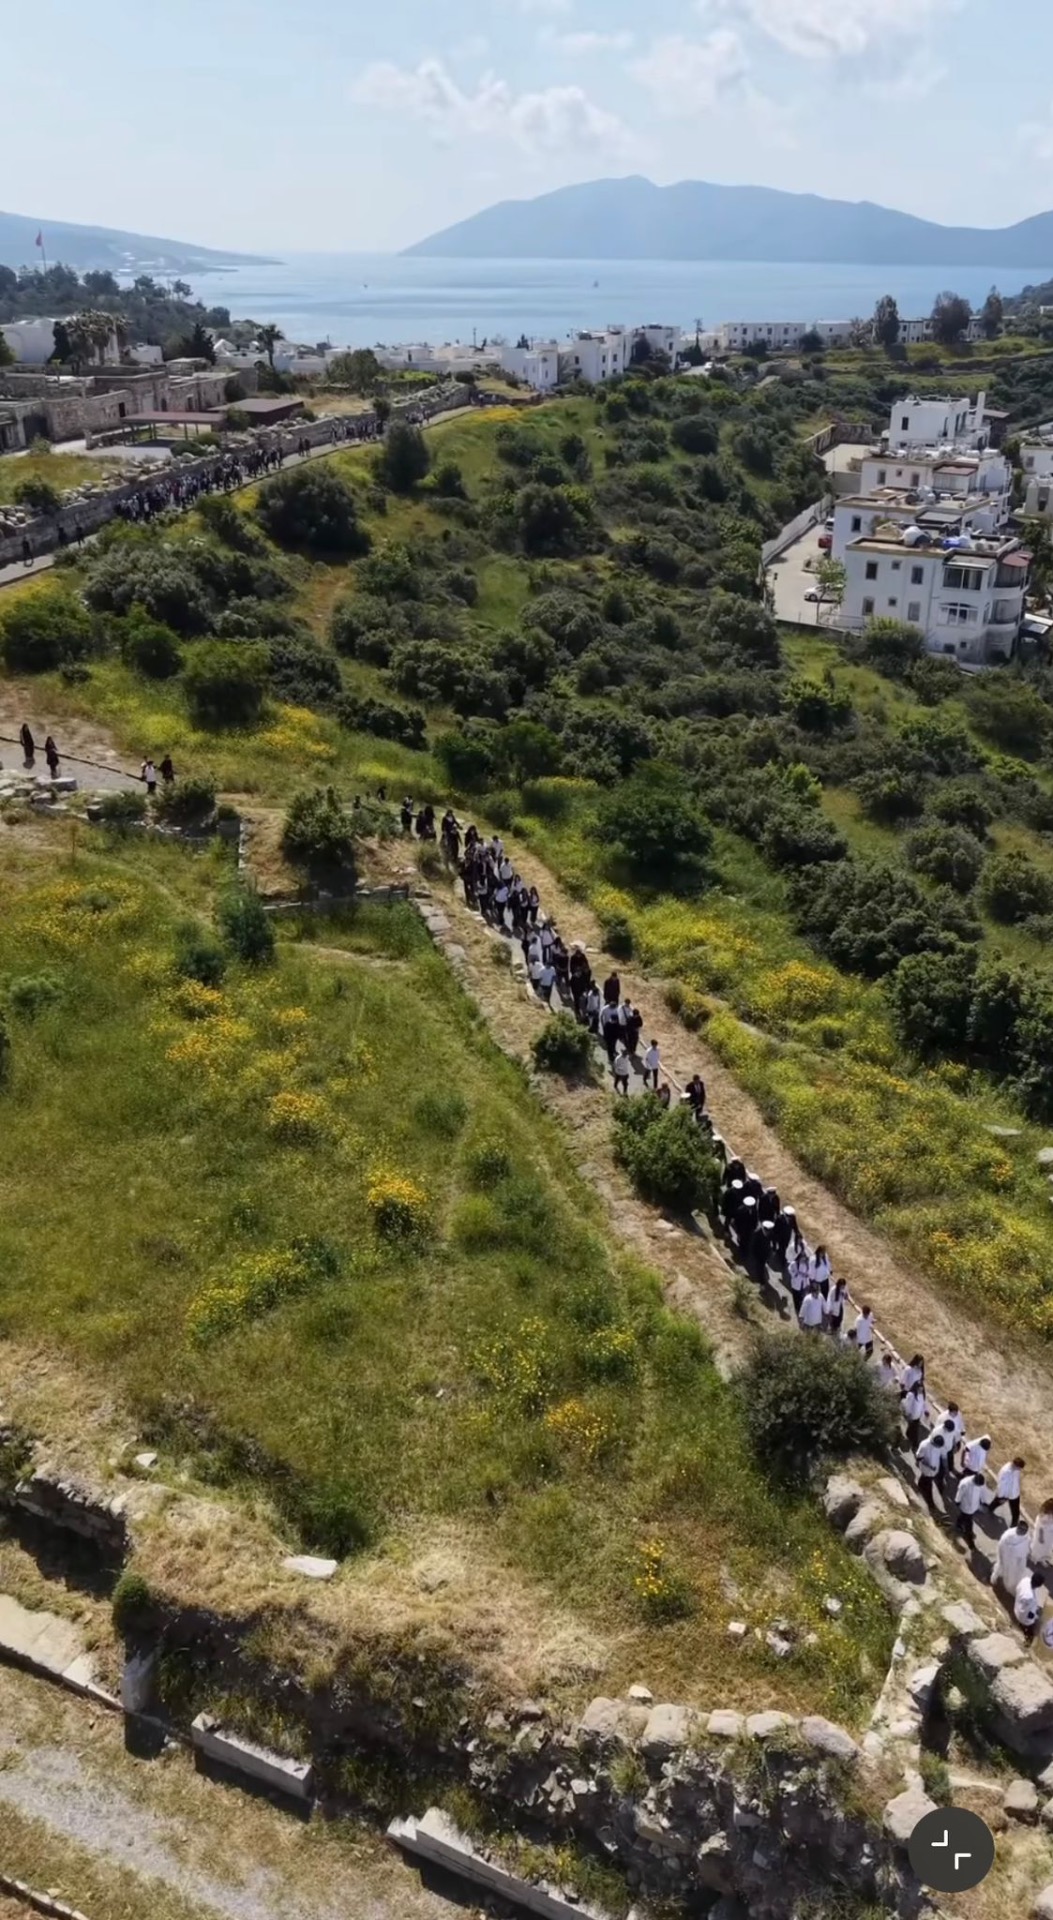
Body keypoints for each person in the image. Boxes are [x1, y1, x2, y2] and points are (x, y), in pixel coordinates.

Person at [992, 1521, 1031, 1598]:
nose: (1022, 1531)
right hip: (1007, 1559)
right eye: (1021, 1529)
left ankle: (1011, 1588)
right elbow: (1001, 1546)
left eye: (1024, 1530)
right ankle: (995, 1580)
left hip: (1018, 1561)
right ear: (1017, 1527)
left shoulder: (1026, 1537)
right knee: (1002, 1570)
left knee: (1015, 1575)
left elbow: (1026, 1549)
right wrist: (1002, 1559)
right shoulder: (1008, 1535)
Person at [1015, 1569, 1046, 1646]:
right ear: (1039, 1585)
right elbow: (1030, 1615)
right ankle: (1028, 1636)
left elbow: (1017, 1589)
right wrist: (1037, 1616)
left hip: (1016, 1607)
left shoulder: (1025, 1580)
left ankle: (1021, 1624)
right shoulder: (1031, 1598)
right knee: (1033, 1623)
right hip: (1022, 1617)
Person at [915, 1432, 945, 1512]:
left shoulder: (938, 1446)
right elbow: (919, 1458)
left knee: (925, 1479)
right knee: (929, 1485)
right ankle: (930, 1502)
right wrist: (929, 1466)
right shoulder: (925, 1445)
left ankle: (920, 1484)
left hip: (934, 1468)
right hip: (927, 1468)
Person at [956, 1472, 987, 1550]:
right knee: (969, 1524)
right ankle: (970, 1542)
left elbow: (982, 1492)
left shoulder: (980, 1483)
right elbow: (960, 1493)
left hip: (974, 1506)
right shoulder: (965, 1483)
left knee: (964, 1516)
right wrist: (957, 1500)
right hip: (966, 1505)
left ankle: (958, 1524)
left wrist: (984, 1501)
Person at [994, 1458, 1026, 1528]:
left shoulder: (1015, 1469)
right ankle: (990, 1508)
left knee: (1016, 1512)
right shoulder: (1005, 1472)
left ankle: (1014, 1525)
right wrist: (1001, 1496)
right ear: (1015, 1465)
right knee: (997, 1502)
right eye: (1019, 1468)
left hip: (1014, 1494)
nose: (1020, 1470)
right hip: (1006, 1494)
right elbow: (1001, 1485)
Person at [901, 1381, 928, 1453]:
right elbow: (907, 1405)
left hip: (917, 1417)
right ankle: (911, 1445)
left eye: (922, 1389)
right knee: (911, 1431)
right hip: (911, 1417)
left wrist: (925, 1411)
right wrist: (908, 1414)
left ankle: (913, 1445)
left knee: (914, 1431)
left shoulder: (921, 1396)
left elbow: (923, 1405)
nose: (920, 1390)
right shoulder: (911, 1395)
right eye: (919, 1389)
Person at [1033, 1500, 1053, 1573]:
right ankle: (1038, 1558)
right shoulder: (1044, 1516)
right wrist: (1041, 1537)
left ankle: (1043, 1558)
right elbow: (1040, 1527)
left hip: (1049, 1534)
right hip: (1044, 1534)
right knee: (1040, 1547)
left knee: (1047, 1547)